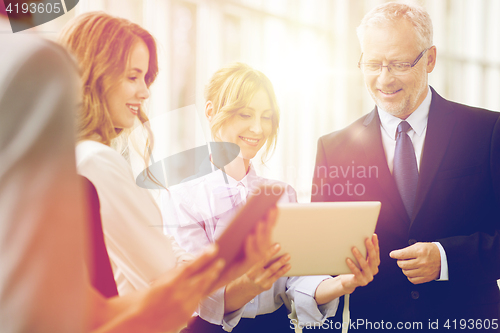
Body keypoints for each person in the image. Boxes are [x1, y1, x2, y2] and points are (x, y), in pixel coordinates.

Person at [57, 12, 276, 332]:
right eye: (132, 77)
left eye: (145, 79)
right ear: (94, 75)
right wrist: (231, 260)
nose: (145, 92)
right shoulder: (95, 161)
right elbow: (164, 271)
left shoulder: (63, 157)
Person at [312, 2, 500, 331]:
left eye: (398, 63)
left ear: (430, 59)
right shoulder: (333, 149)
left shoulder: (487, 132)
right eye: (373, 64)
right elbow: (323, 260)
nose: (384, 79)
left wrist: (446, 259)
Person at [162, 62, 380, 332]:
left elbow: (297, 281)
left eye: (266, 117)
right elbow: (204, 298)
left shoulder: (281, 194)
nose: (258, 129)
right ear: (211, 112)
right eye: (245, 114)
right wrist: (255, 281)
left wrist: (343, 283)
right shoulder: (183, 198)